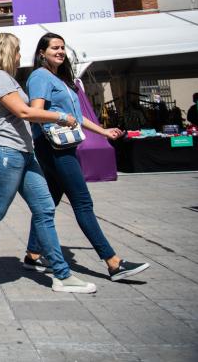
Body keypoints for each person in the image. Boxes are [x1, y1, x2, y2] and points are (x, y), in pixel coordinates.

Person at [0, 33, 97, 296]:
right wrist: (60, 116)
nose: (20, 56)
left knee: (44, 208)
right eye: (17, 51)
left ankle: (62, 275)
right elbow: (24, 112)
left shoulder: (4, 80)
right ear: (6, 52)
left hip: (21, 153)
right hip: (5, 154)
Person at [23, 33, 149, 282]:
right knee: (83, 203)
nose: (60, 51)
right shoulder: (40, 77)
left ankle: (32, 254)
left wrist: (104, 132)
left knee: (49, 204)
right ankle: (113, 263)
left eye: (62, 48)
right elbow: (35, 113)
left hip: (63, 146)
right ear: (41, 53)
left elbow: (77, 116)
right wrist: (60, 118)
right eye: (54, 48)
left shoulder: (60, 79)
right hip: (53, 148)